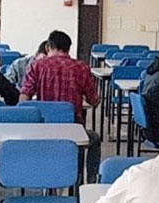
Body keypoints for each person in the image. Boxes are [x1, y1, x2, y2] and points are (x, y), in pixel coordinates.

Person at [20, 31, 103, 179]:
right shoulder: (81, 67)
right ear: (69, 48)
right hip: (73, 130)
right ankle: (89, 179)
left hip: (43, 130)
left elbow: (24, 98)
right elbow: (93, 100)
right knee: (95, 138)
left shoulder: (36, 66)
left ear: (48, 47)